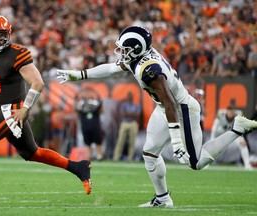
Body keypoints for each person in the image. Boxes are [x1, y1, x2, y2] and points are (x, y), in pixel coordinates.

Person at [56, 26, 257, 207]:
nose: (121, 53)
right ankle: (163, 198)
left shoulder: (149, 71)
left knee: (196, 163)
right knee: (150, 154)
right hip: (164, 109)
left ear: (136, 50)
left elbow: (170, 104)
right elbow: (112, 68)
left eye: (124, 49)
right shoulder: (139, 58)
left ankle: (237, 128)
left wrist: (177, 142)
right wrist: (80, 75)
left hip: (182, 110)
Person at [0, 15, 92, 200]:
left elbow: (38, 83)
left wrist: (25, 109)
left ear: (8, 35)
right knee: (33, 153)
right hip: (2, 109)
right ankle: (78, 167)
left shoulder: (17, 54)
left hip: (14, 110)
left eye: (0, 35)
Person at [210, 106, 253, 170]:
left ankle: (247, 165)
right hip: (222, 133)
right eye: (229, 112)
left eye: (232, 112)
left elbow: (240, 128)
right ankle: (206, 164)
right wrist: (212, 138)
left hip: (233, 134)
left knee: (243, 144)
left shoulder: (238, 116)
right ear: (226, 111)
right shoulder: (220, 114)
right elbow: (214, 127)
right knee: (210, 144)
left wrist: (241, 139)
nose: (230, 113)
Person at [75, 87, 104, 160]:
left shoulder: (95, 103)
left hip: (95, 125)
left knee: (98, 141)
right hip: (85, 125)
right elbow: (77, 113)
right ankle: (89, 156)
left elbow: (102, 111)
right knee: (87, 142)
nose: (87, 95)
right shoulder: (81, 104)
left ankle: (99, 156)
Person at [113, 92, 140, 162]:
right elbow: (123, 114)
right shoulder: (123, 105)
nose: (129, 97)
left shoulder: (136, 105)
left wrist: (128, 114)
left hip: (133, 123)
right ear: (127, 97)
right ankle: (116, 157)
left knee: (132, 142)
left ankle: (130, 158)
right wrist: (131, 114)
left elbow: (137, 115)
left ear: (132, 97)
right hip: (124, 123)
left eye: (130, 96)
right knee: (120, 141)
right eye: (128, 96)